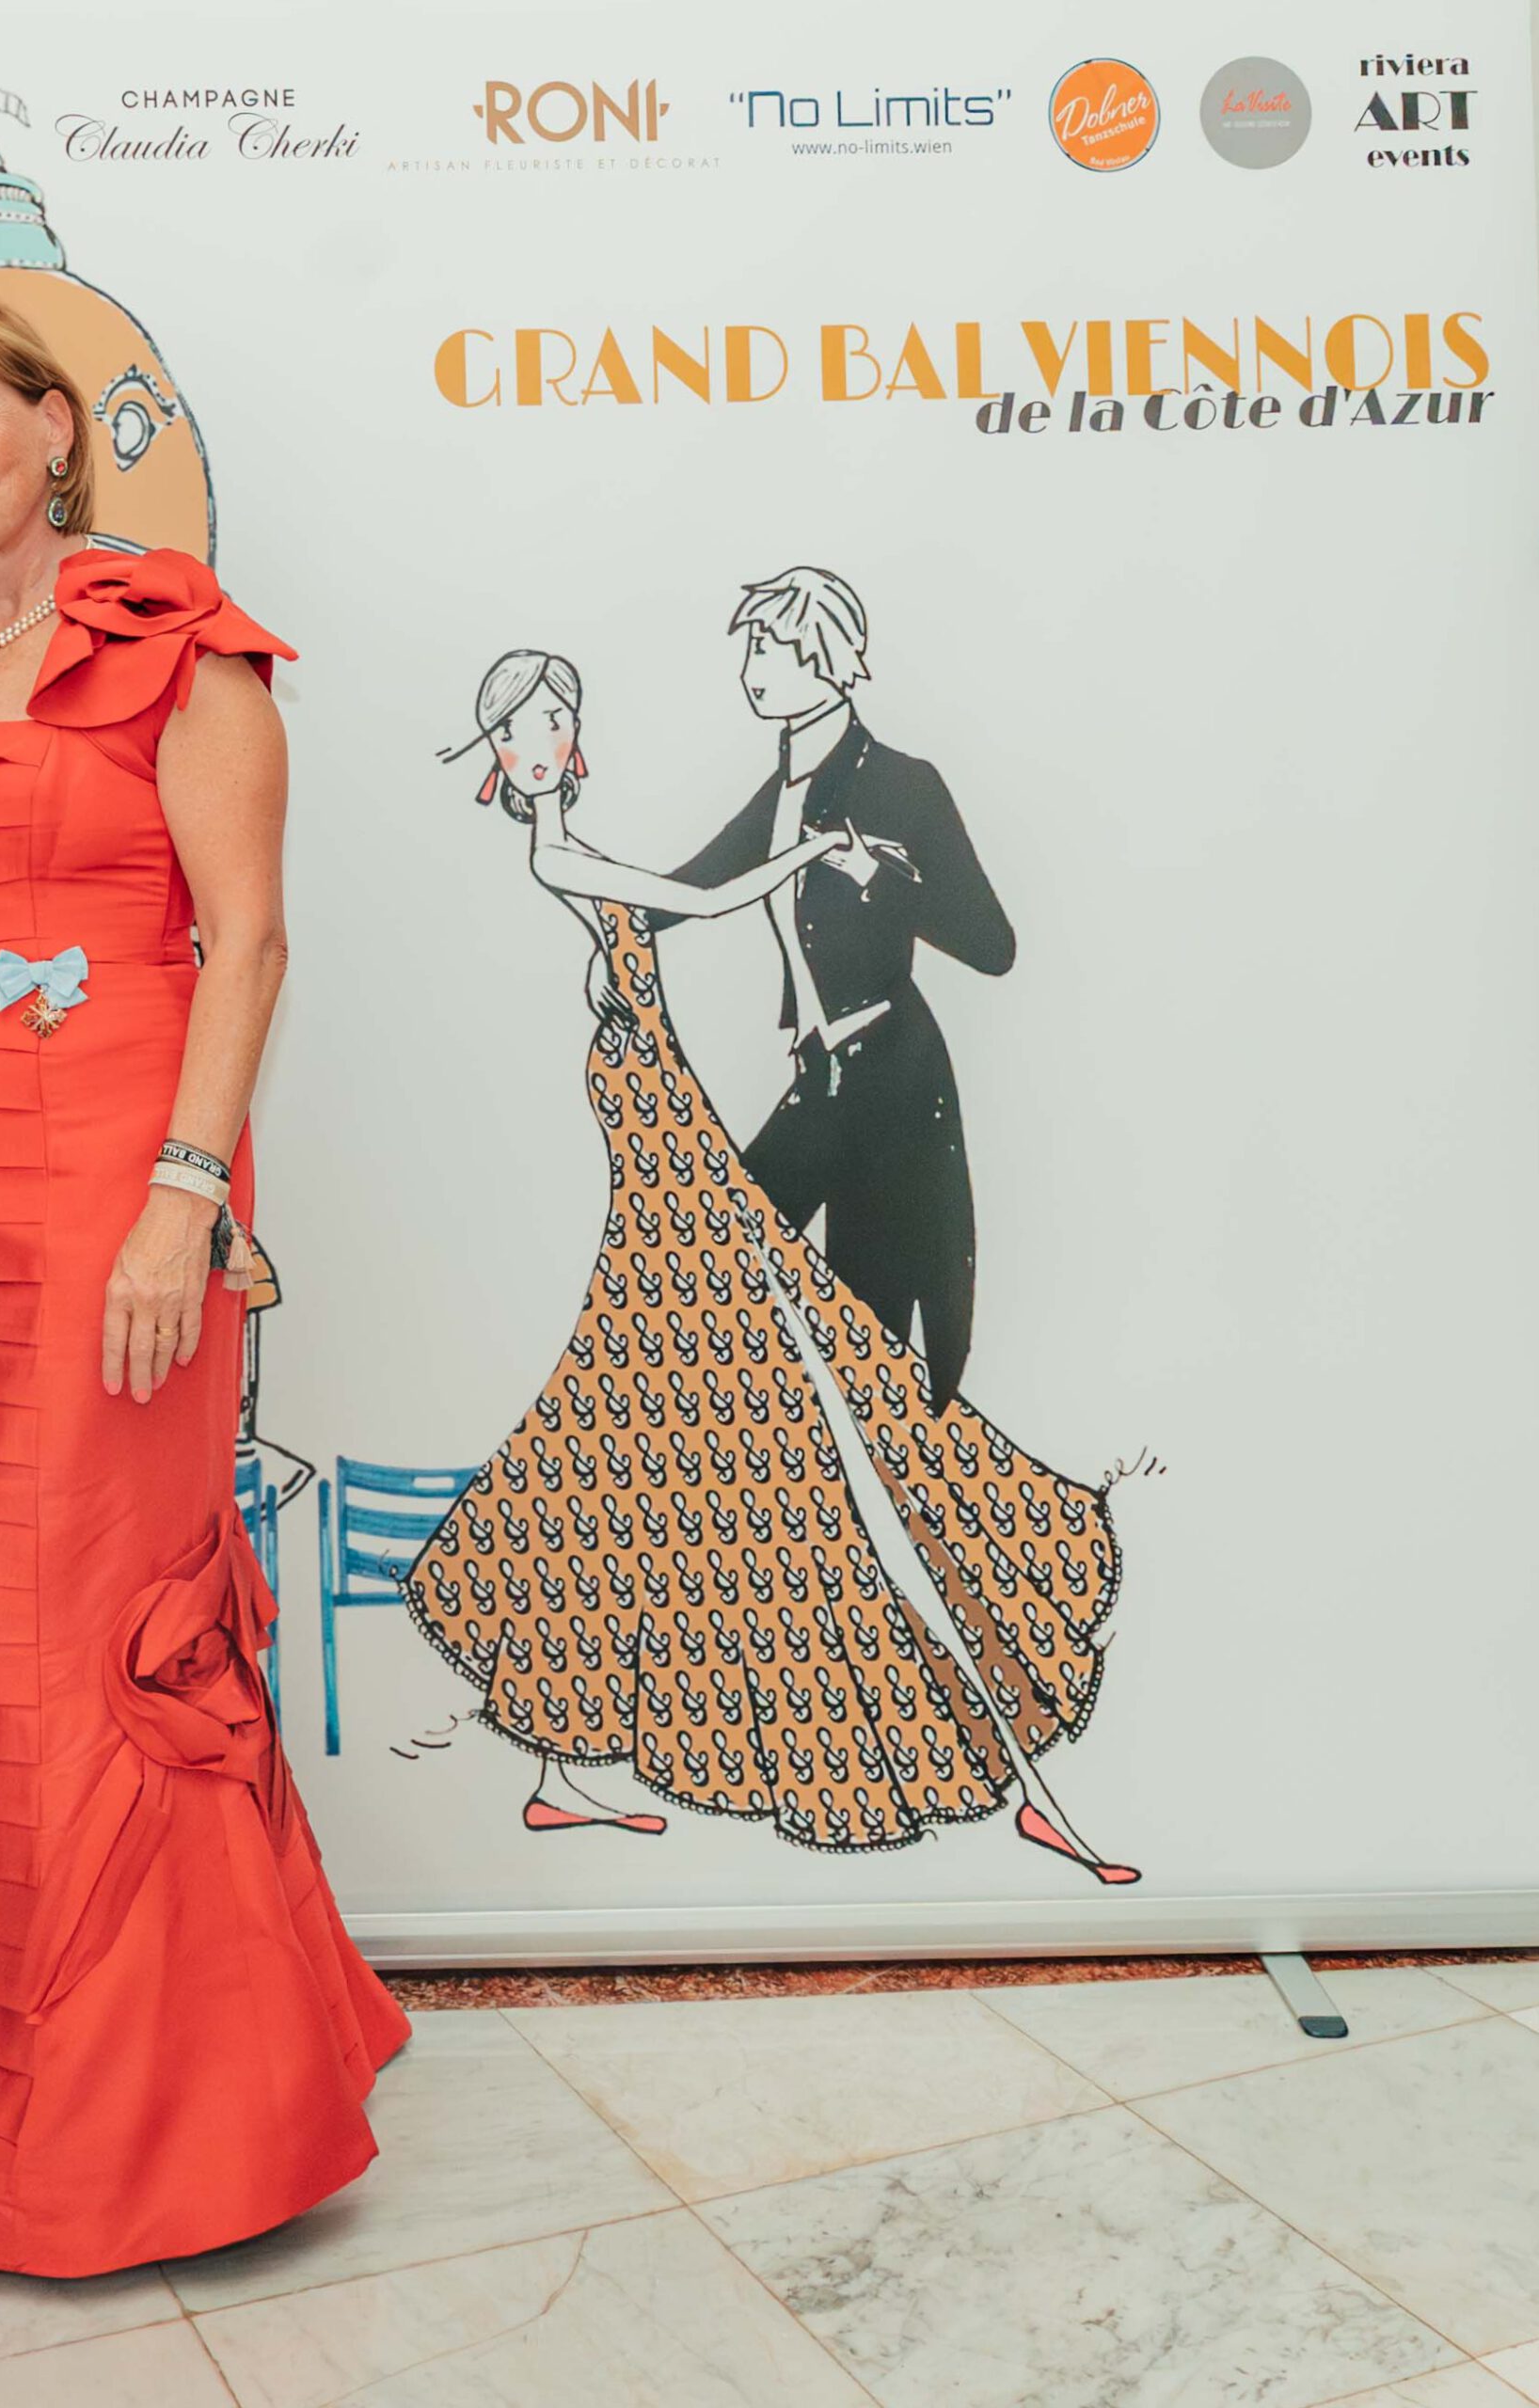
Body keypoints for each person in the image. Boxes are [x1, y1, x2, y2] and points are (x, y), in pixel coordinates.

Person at [0, 295, 407, 2278]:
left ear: (57, 429)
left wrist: (183, 1199)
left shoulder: (179, 644)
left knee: (94, 1625)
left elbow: (246, 942)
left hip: (117, 1192)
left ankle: (155, 2135)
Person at [406, 648, 1136, 1882]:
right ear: (495, 751)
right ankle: (999, 1748)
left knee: (647, 1405)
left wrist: (805, 884)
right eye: (521, 727)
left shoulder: (587, 848)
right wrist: (806, 856)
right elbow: (692, 903)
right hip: (659, 1144)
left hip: (674, 1133)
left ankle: (555, 1770)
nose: (544, 741)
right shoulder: (556, 853)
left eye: (557, 718)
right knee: (758, 1387)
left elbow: (685, 903)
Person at [656, 567, 1013, 1407]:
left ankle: (891, 1482)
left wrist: (877, 878)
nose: (754, 668)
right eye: (752, 646)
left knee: (872, 1333)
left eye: (774, 647)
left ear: (827, 659)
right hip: (821, 1077)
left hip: (892, 1079)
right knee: (723, 1260)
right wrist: (608, 921)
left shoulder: (904, 782)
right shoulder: (783, 792)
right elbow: (696, 886)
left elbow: (993, 946)